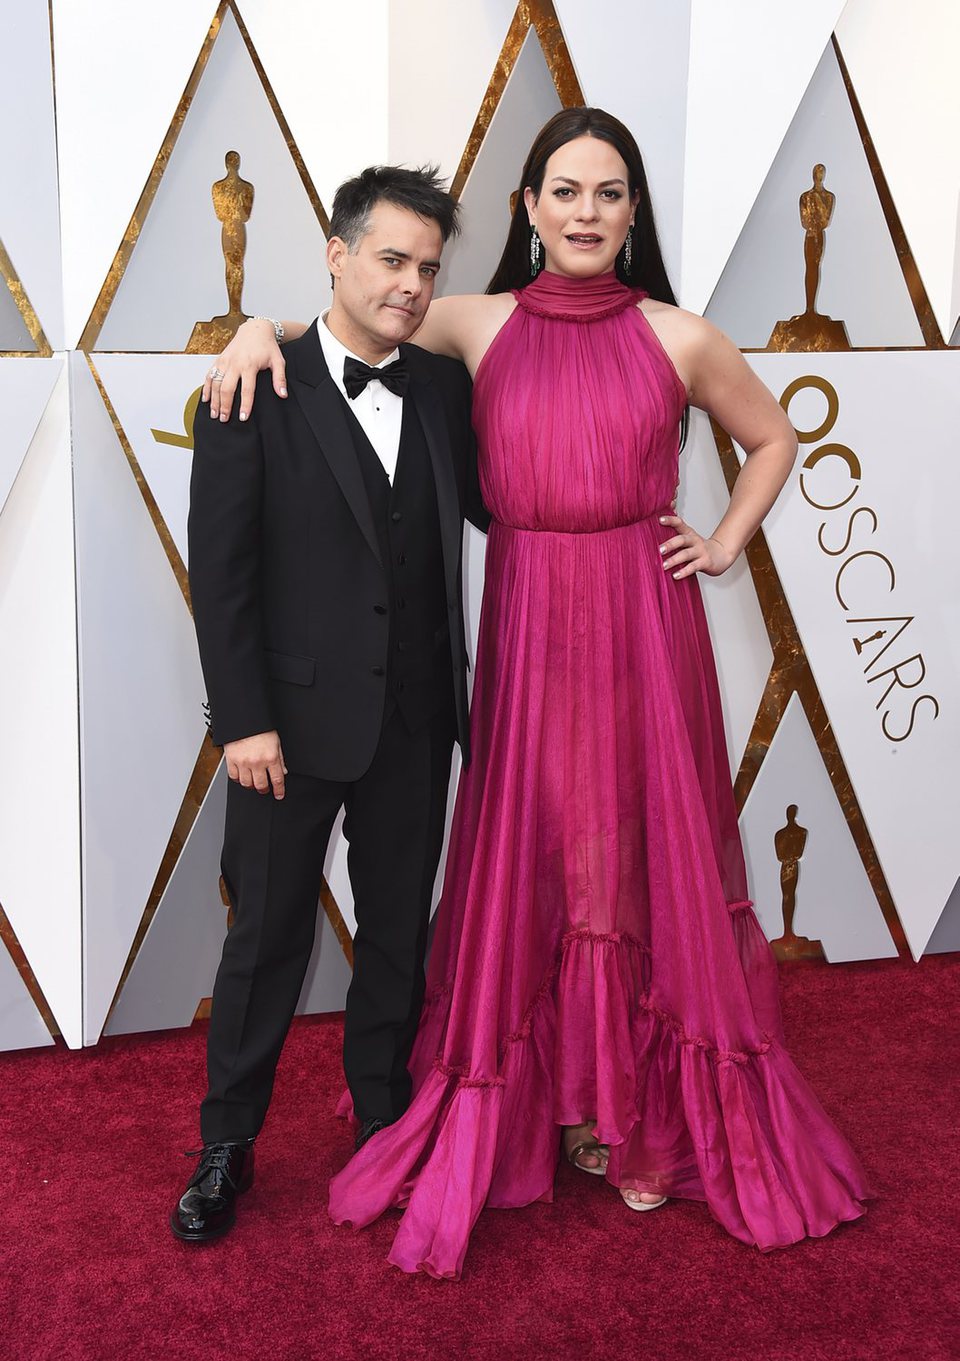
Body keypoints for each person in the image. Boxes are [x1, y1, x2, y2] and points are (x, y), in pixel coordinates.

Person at [206, 108, 870, 1277]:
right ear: (528, 206)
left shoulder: (681, 335)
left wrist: (718, 542)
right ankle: (544, 1099)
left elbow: (771, 438)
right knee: (544, 855)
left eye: (609, 193)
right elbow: (361, 322)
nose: (585, 211)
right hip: (526, 623)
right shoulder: (472, 318)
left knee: (634, 857)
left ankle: (636, 1116)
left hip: (641, 626)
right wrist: (258, 328)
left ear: (632, 213)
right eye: (565, 189)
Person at [171, 165, 487, 1243]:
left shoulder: (443, 385)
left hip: (414, 721)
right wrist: (241, 718)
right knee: (263, 938)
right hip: (286, 729)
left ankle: (384, 1125)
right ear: (337, 252)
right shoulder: (252, 382)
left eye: (427, 268)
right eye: (391, 259)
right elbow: (223, 575)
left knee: (397, 932)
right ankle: (227, 1142)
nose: (409, 285)